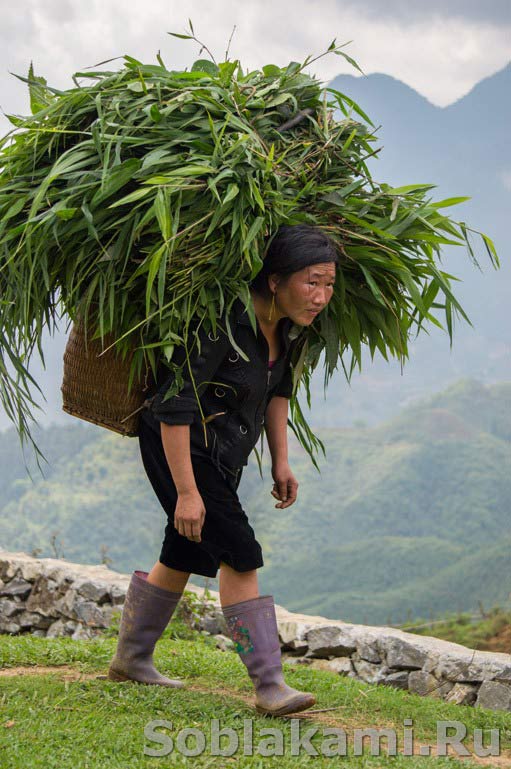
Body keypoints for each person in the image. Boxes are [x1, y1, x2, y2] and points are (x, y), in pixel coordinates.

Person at [107, 223, 339, 716]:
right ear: (275, 280)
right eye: (311, 281)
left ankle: (131, 658)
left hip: (223, 453)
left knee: (185, 549)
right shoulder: (221, 326)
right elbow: (173, 406)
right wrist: (186, 492)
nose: (321, 296)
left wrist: (281, 460)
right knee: (240, 551)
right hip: (179, 445)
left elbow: (277, 394)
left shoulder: (289, 330)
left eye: (329, 284)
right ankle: (269, 685)